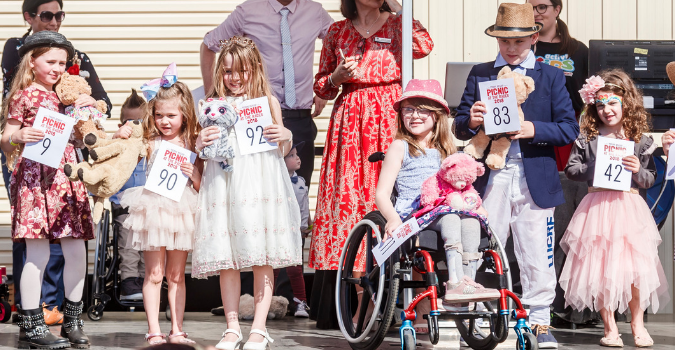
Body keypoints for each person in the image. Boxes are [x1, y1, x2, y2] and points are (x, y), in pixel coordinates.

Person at [453, 3, 579, 348]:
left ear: (534, 38)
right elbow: (460, 126)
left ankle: (540, 320)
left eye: (519, 41)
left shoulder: (550, 75)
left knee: (537, 251)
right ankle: (477, 316)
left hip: (533, 174)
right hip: (491, 175)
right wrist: (473, 120)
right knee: (480, 247)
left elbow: (570, 128)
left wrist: (532, 128)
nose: (511, 48)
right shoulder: (481, 72)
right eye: (504, 41)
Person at [308, 0, 433, 329]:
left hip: (390, 115)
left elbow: (424, 46)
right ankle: (362, 290)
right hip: (350, 121)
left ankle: (407, 296)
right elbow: (321, 85)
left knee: (397, 194)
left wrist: (398, 8)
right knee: (351, 201)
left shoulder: (397, 25)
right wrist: (336, 76)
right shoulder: (336, 31)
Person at [2, 0, 111, 325]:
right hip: (34, 180)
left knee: (76, 247)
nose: (58, 69)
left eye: (63, 63)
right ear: (32, 62)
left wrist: (91, 116)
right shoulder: (23, 96)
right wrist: (20, 136)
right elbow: (6, 135)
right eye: (51, 62)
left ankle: (72, 319)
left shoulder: (68, 100)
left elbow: (88, 130)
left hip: (67, 178)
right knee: (37, 252)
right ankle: (32, 321)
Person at [191, 36, 301, 350]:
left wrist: (286, 134)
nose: (234, 78)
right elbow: (202, 148)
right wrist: (200, 143)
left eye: (241, 71)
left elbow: (281, 147)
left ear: (254, 70)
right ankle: (231, 327)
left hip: (258, 184)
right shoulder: (210, 104)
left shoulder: (268, 103)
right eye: (226, 71)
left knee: (261, 255)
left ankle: (259, 328)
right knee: (228, 258)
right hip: (224, 185)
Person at [375, 79, 499, 332]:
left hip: (447, 207)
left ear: (437, 115)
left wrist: (477, 206)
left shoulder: (447, 148)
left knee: (471, 221)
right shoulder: (400, 146)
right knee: (453, 219)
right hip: (416, 214)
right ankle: (454, 282)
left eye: (422, 109)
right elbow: (382, 194)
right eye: (408, 109)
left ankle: (467, 284)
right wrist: (391, 218)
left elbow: (462, 185)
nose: (414, 115)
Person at [560, 69, 669, 348]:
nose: (606, 110)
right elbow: (572, 170)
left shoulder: (640, 140)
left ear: (625, 104)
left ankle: (637, 323)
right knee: (599, 268)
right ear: (593, 108)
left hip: (628, 206)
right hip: (597, 207)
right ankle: (609, 326)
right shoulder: (587, 137)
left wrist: (636, 170)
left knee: (633, 269)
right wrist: (594, 166)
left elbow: (649, 178)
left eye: (612, 103)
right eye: (600, 105)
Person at [200, 0, 333, 187]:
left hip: (299, 119)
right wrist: (213, 97)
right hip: (257, 118)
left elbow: (339, 42)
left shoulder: (315, 11)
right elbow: (209, 44)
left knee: (298, 190)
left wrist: (325, 86)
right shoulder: (247, 11)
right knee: (257, 187)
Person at [118, 65, 202, 346]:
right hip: (153, 209)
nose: (165, 121)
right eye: (159, 115)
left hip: (181, 210)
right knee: (154, 273)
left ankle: (177, 328)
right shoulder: (149, 141)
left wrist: (195, 174)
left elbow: (202, 185)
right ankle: (154, 329)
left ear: (185, 114)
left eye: (171, 115)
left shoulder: (192, 141)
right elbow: (124, 152)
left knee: (177, 274)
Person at [527, 0, 594, 324]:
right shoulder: (523, 44)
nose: (537, 12)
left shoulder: (578, 51)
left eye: (542, 6)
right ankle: (540, 301)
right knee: (541, 223)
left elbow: (588, 99)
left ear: (557, 9)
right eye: (531, 6)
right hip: (531, 139)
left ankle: (571, 304)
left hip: (568, 140)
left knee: (569, 223)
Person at [109, 89, 147, 301]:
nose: (133, 127)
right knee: (130, 235)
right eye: (128, 122)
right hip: (124, 205)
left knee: (151, 235)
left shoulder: (151, 147)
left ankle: (145, 278)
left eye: (139, 122)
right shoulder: (116, 146)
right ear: (120, 124)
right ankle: (130, 279)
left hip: (149, 204)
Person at [273, 141, 311, 318]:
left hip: (295, 231)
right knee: (273, 268)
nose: (297, 158)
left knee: (295, 269)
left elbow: (304, 206)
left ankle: (300, 302)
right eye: (292, 155)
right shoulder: (275, 183)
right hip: (278, 230)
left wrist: (307, 225)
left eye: (297, 154)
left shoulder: (301, 182)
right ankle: (268, 302)